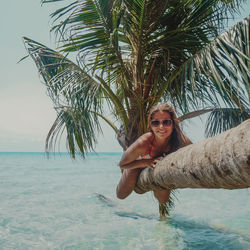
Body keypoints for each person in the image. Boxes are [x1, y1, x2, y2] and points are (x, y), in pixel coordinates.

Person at [116, 103, 192, 214]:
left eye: (166, 122)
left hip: (157, 167)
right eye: (156, 123)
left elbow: (194, 154)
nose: (161, 127)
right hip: (137, 165)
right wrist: (144, 162)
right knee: (121, 195)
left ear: (173, 124)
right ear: (151, 125)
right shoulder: (144, 142)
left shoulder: (180, 140)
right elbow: (122, 164)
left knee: (163, 200)